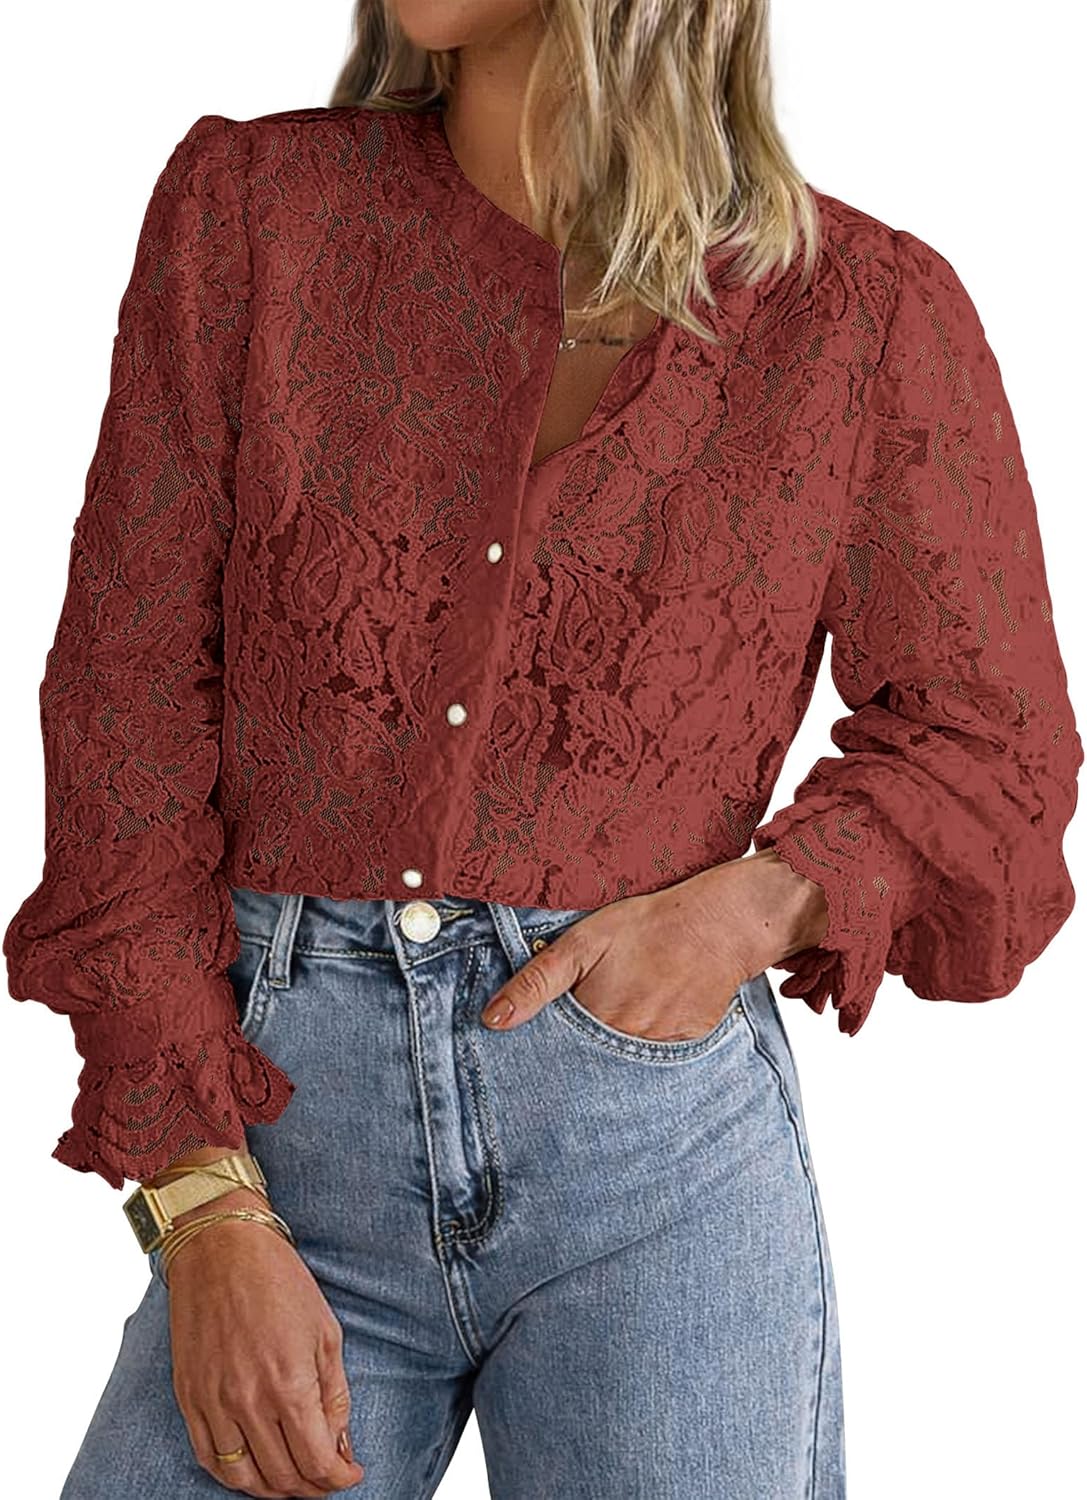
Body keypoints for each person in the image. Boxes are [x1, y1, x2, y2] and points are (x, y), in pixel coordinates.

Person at [5, 2, 1081, 1497]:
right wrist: (202, 1206)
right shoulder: (256, 215)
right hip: (281, 1134)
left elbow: (994, 745)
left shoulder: (861, 315)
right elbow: (121, 705)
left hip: (656, 1162)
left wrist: (751, 908)